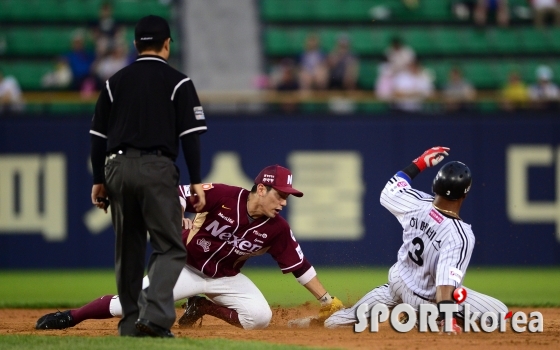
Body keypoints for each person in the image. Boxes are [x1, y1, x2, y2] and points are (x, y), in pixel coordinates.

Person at [35, 165, 344, 331]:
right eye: (280, 194)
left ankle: (204, 307)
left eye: (288, 196)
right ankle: (71, 316)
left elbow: (299, 266)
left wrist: (327, 299)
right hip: (184, 266)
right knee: (129, 306)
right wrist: (178, 213)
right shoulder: (224, 195)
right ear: (261, 188)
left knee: (259, 319)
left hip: (225, 277)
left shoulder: (278, 229)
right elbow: (177, 193)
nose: (284, 201)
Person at [88, 15, 208, 338]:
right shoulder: (179, 82)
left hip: (116, 167)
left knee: (127, 250)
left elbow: (98, 136)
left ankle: (130, 324)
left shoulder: (115, 82)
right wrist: (196, 180)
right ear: (167, 44)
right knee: (169, 247)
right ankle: (153, 318)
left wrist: (99, 178)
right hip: (156, 168)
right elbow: (190, 137)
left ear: (135, 45)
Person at [323, 147, 508, 332]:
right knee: (499, 313)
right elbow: (445, 283)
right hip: (424, 300)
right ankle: (423, 318)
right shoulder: (460, 235)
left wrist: (420, 163)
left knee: (333, 323)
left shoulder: (416, 203)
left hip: (396, 284)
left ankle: (324, 321)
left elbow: (390, 190)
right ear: (464, 195)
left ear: (435, 185)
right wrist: (447, 319)